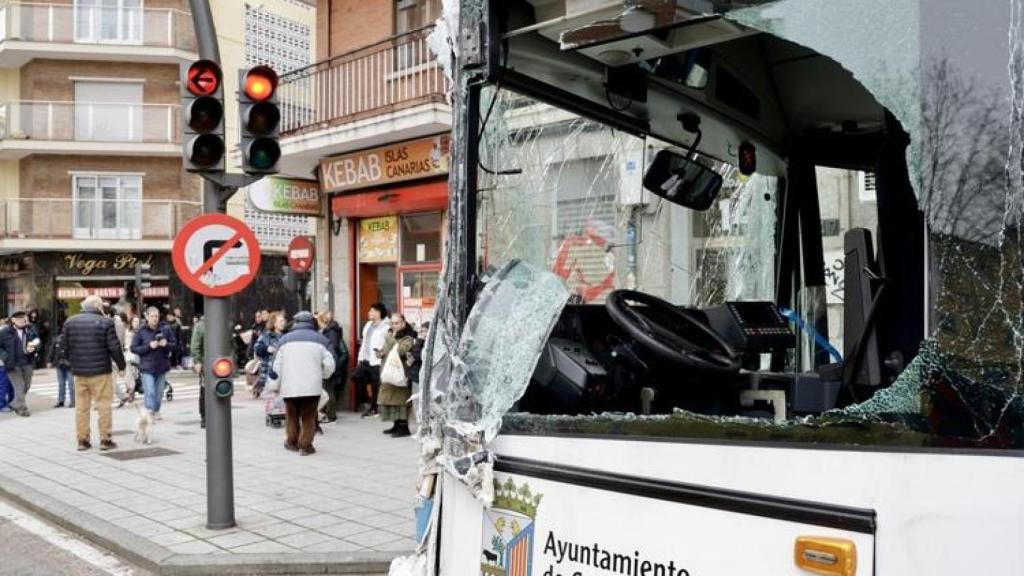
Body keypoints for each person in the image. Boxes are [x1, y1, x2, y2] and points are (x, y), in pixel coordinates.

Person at [62, 295, 126, 451]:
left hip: (79, 372)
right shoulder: (105, 322)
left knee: (81, 407)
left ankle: (82, 440)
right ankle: (105, 439)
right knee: (104, 405)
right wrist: (122, 366)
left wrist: (71, 363)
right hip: (100, 372)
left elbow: (64, 346)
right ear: (98, 306)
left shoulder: (70, 322)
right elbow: (114, 347)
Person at [268, 311, 335, 455]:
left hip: (289, 386)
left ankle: (292, 442)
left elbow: (276, 366)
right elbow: (330, 364)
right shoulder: (321, 340)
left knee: (291, 415)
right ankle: (305, 446)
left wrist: (274, 385)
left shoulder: (284, 340)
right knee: (309, 416)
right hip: (312, 386)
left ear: (295, 322)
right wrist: (323, 375)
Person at [130, 307, 176, 420]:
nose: (155, 318)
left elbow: (175, 345)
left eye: (157, 316)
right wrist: (148, 346)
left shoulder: (166, 329)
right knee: (150, 391)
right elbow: (134, 348)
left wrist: (167, 344)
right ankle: (149, 413)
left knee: (159, 393)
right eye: (152, 316)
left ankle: (156, 411)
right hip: (147, 366)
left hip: (162, 365)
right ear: (147, 317)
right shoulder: (141, 331)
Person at [377, 313, 417, 437]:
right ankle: (396, 424)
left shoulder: (408, 337)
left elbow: (400, 351)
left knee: (400, 400)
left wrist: (390, 339)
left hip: (400, 373)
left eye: (397, 323)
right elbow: (386, 350)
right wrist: (380, 353)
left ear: (403, 323)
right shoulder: (391, 335)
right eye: (392, 323)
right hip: (389, 373)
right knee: (390, 399)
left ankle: (403, 427)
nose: (394, 326)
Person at [0, 311, 41, 417]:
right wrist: (5, 357)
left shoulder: (30, 329)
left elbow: (37, 340)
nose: (21, 321)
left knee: (26, 386)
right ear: (13, 320)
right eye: (18, 319)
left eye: (23, 318)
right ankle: (23, 409)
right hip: (12, 365)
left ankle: (14, 403)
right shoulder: (5, 331)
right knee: (19, 387)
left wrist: (35, 347)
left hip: (27, 362)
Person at [355, 303, 390, 418]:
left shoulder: (386, 327)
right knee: (357, 378)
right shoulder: (368, 325)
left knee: (376, 385)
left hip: (377, 360)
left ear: (379, 313)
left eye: (372, 311)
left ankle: (374, 408)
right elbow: (365, 343)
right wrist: (360, 358)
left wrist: (382, 354)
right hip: (366, 358)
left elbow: (388, 344)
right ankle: (368, 403)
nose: (369, 313)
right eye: (370, 311)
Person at [316, 311, 348, 423]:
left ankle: (331, 415)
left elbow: (332, 348)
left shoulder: (331, 332)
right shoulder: (328, 331)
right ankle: (328, 413)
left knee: (329, 390)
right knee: (328, 389)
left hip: (332, 363)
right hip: (331, 362)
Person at [254, 311, 286, 398]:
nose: (284, 323)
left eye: (284, 321)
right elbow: (257, 348)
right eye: (281, 321)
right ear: (274, 323)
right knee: (271, 402)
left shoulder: (285, 336)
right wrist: (266, 349)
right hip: (269, 372)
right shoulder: (266, 336)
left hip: (283, 373)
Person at [120, 315, 142, 407]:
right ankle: (130, 394)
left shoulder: (140, 331)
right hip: (128, 355)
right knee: (129, 375)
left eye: (137, 321)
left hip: (136, 356)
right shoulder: (127, 331)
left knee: (135, 375)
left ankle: (130, 393)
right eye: (134, 321)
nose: (136, 323)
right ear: (131, 322)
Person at [51, 330, 74, 408]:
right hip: (60, 364)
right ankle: (61, 401)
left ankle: (73, 401)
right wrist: (50, 360)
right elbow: (53, 350)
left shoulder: (72, 340)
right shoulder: (57, 339)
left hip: (69, 364)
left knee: (70, 384)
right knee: (62, 384)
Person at [190, 315, 206, 428]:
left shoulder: (223, 321)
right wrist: (197, 361)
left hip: (222, 362)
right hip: (206, 363)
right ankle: (204, 417)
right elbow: (195, 345)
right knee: (205, 390)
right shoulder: (200, 326)